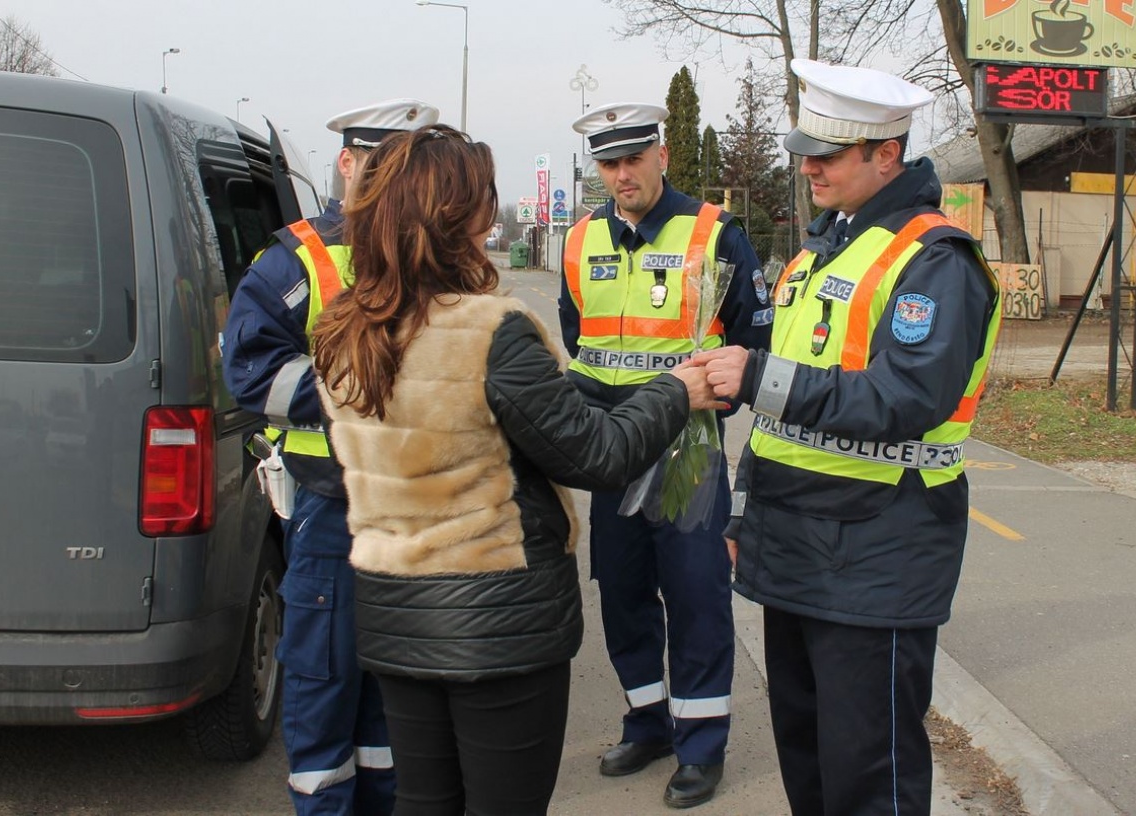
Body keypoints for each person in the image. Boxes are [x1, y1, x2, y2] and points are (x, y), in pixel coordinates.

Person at [311, 124, 725, 816]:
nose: (488, 214)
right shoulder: (490, 331)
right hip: (496, 626)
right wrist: (678, 389)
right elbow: (597, 453)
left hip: (392, 614)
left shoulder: (343, 329)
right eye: (480, 198)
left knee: (424, 801)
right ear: (454, 217)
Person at [692, 60, 1003, 816]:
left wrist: (761, 374)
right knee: (809, 759)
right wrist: (744, 508)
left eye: (827, 154)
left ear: (885, 155)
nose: (808, 167)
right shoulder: (820, 250)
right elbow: (778, 421)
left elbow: (910, 398)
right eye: (805, 150)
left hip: (878, 547)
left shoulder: (934, 259)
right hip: (796, 536)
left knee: (869, 774)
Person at [222, 98, 439, 816]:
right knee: (322, 688)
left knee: (393, 699)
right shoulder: (299, 258)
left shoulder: (429, 259)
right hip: (330, 508)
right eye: (375, 167)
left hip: (412, 509)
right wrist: (357, 390)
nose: (386, 186)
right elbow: (249, 371)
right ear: (346, 164)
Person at [558, 102, 774, 809]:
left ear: (662, 156)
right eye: (608, 164)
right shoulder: (579, 237)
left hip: (685, 455)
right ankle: (646, 721)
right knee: (620, 593)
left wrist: (716, 397)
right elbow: (578, 338)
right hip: (611, 448)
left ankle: (701, 745)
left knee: (695, 596)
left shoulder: (715, 234)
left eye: (632, 160)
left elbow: (754, 340)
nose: (621, 175)